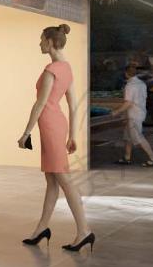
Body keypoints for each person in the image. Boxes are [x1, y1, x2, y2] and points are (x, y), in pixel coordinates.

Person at [17, 24, 95, 253]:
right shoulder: (67, 68)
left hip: (50, 125)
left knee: (63, 179)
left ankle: (84, 231)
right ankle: (42, 228)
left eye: (42, 39)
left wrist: (26, 133)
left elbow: (40, 104)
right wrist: (72, 135)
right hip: (57, 125)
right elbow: (73, 104)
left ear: (50, 42)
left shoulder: (51, 69)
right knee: (52, 180)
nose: (40, 43)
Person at [110, 65, 153, 166]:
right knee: (128, 136)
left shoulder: (130, 86)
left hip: (134, 115)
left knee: (138, 137)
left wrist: (116, 111)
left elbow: (128, 103)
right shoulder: (142, 84)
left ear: (126, 73)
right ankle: (127, 158)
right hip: (139, 113)